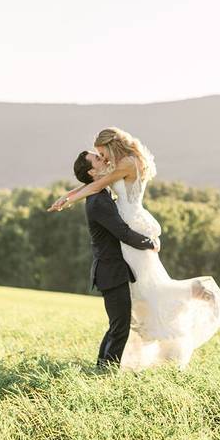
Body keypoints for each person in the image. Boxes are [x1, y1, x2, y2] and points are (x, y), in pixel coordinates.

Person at [52, 128, 220, 370]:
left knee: (147, 291)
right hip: (127, 227)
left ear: (112, 145)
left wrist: (68, 199)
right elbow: (93, 183)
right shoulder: (120, 165)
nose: (103, 158)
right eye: (99, 156)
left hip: (131, 226)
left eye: (102, 152)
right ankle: (117, 361)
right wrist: (67, 196)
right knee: (141, 294)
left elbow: (96, 184)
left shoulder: (127, 163)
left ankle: (194, 291)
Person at [73, 149, 159, 369]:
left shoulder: (100, 194)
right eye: (97, 158)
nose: (102, 159)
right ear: (92, 171)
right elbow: (122, 232)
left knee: (118, 324)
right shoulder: (98, 201)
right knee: (120, 326)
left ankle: (102, 368)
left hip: (113, 270)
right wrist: (149, 242)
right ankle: (106, 372)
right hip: (110, 271)